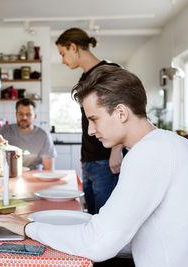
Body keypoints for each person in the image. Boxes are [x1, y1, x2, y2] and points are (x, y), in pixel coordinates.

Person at [0, 65, 188, 266]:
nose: (90, 130)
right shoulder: (175, 143)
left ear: (121, 113)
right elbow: (127, 232)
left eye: (94, 119)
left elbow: (99, 244)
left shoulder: (149, 153)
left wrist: (27, 227)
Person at [55, 28, 124, 215]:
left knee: (106, 218)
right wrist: (84, 157)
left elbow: (122, 110)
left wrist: (117, 149)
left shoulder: (108, 70)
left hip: (105, 159)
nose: (62, 60)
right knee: (91, 217)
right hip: (90, 160)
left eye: (63, 53)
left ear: (73, 47)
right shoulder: (85, 77)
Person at [0, 98, 56, 170]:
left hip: (33, 178)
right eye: (21, 114)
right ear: (16, 115)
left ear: (35, 116)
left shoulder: (44, 136)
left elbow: (48, 169)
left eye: (28, 114)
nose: (24, 117)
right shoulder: (4, 131)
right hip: (8, 176)